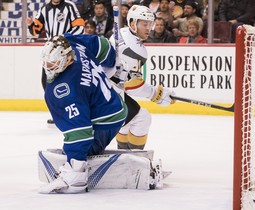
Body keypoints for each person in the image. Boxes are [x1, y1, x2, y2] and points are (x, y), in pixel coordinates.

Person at [39, 34, 127, 193]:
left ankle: (76, 177)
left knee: (78, 147)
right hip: (112, 103)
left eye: (54, 63)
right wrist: (113, 63)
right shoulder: (72, 42)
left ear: (68, 59)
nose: (48, 66)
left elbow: (80, 133)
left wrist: (75, 164)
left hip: (106, 121)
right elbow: (103, 46)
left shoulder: (64, 89)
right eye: (46, 61)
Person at [110, 5, 175, 150]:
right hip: (106, 95)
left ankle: (123, 154)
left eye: (150, 24)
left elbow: (125, 82)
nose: (148, 28)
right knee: (142, 118)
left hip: (103, 88)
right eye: (144, 24)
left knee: (131, 117)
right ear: (133, 24)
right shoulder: (136, 50)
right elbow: (133, 86)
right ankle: (135, 160)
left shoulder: (122, 32)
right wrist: (156, 94)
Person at [26, 0, 85, 124]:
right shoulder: (44, 9)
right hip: (51, 52)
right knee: (47, 82)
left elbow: (80, 27)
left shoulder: (69, 6)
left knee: (70, 81)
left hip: (67, 50)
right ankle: (58, 113)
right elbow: (35, 31)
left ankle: (75, 111)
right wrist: (31, 25)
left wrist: (65, 37)